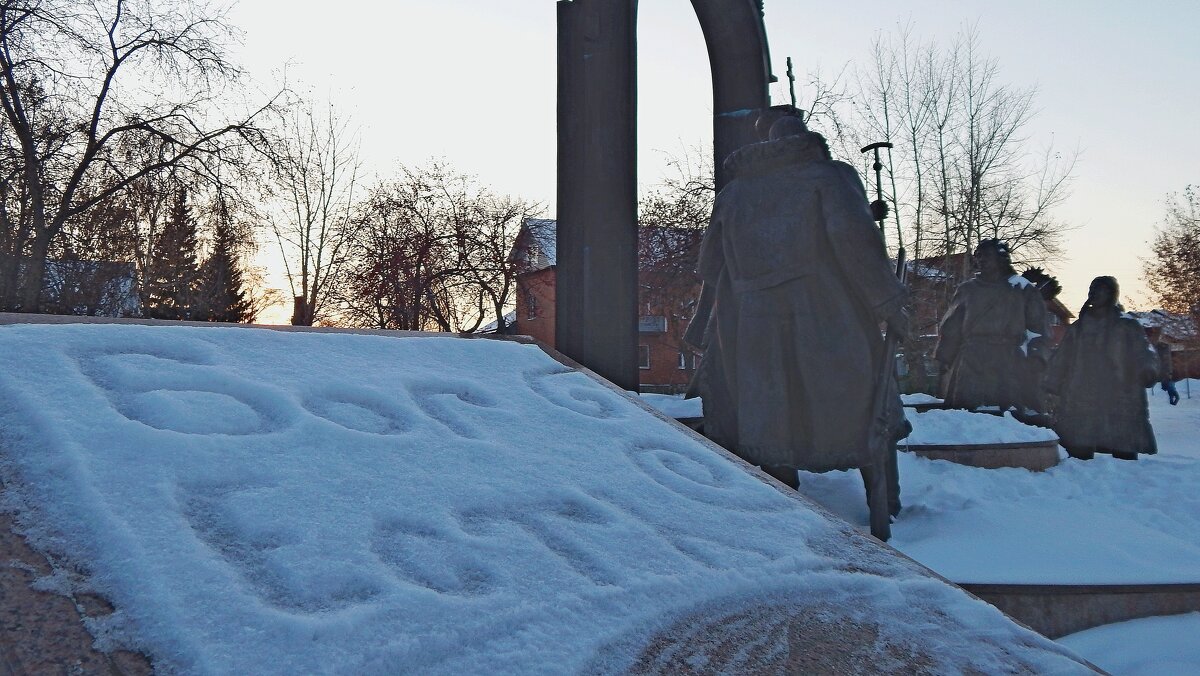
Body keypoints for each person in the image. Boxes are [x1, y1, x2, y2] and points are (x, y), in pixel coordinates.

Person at [692, 114, 908, 540]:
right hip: (828, 316)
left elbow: (711, 266)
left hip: (750, 326)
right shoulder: (828, 175)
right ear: (806, 137)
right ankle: (886, 501)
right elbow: (857, 243)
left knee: (770, 416)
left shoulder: (734, 193)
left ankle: (783, 504)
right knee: (866, 407)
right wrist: (888, 302)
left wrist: (709, 323)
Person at [1044, 276, 1159, 460]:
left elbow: (1144, 352)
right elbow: (1061, 359)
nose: (1093, 293)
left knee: (1123, 450)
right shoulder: (1079, 328)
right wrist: (1051, 386)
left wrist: (1148, 369)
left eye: (1099, 289)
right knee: (1079, 451)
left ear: (1112, 294)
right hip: (1082, 396)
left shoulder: (1127, 326)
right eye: (1091, 289)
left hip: (1120, 395)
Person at [935, 239, 1049, 413]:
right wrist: (945, 356)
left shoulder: (1022, 289)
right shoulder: (967, 290)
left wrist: (1036, 356)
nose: (981, 260)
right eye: (978, 256)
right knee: (966, 413)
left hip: (1009, 360)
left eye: (987, 255)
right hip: (971, 360)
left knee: (1008, 414)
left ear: (1001, 258)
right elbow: (952, 326)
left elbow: (1038, 328)